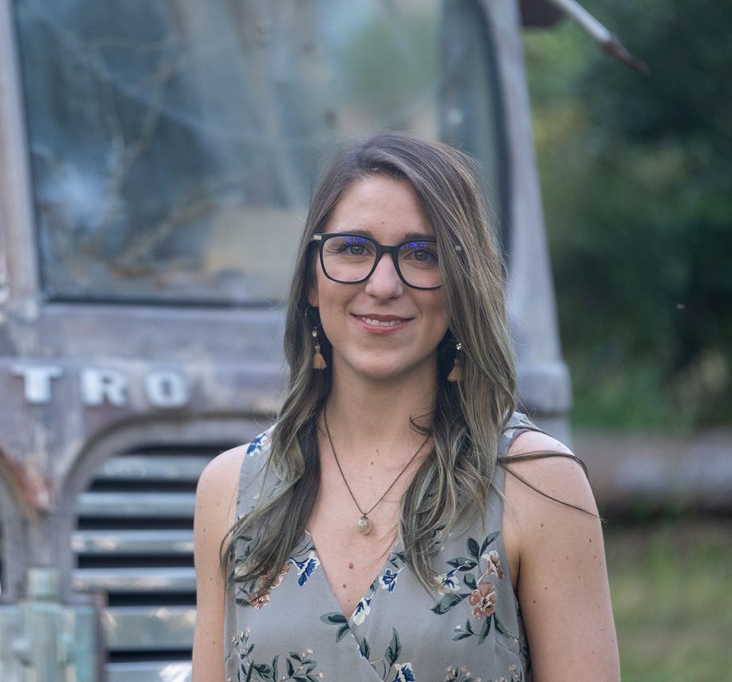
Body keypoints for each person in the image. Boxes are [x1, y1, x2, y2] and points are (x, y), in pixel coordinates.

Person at [192, 131, 620, 681]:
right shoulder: (231, 491)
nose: (383, 284)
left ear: (462, 285)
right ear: (310, 281)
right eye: (353, 248)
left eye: (422, 255)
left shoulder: (537, 483)